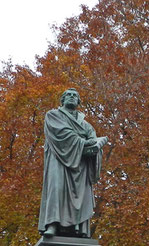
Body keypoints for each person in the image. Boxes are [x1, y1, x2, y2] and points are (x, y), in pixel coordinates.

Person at [38, 88, 108, 237]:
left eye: (75, 95)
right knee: (56, 189)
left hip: (80, 166)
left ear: (78, 101)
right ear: (62, 100)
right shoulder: (53, 115)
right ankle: (52, 224)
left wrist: (96, 146)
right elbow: (62, 134)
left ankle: (79, 229)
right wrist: (86, 142)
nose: (71, 97)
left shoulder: (86, 125)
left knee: (81, 194)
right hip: (58, 159)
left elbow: (93, 142)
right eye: (68, 95)